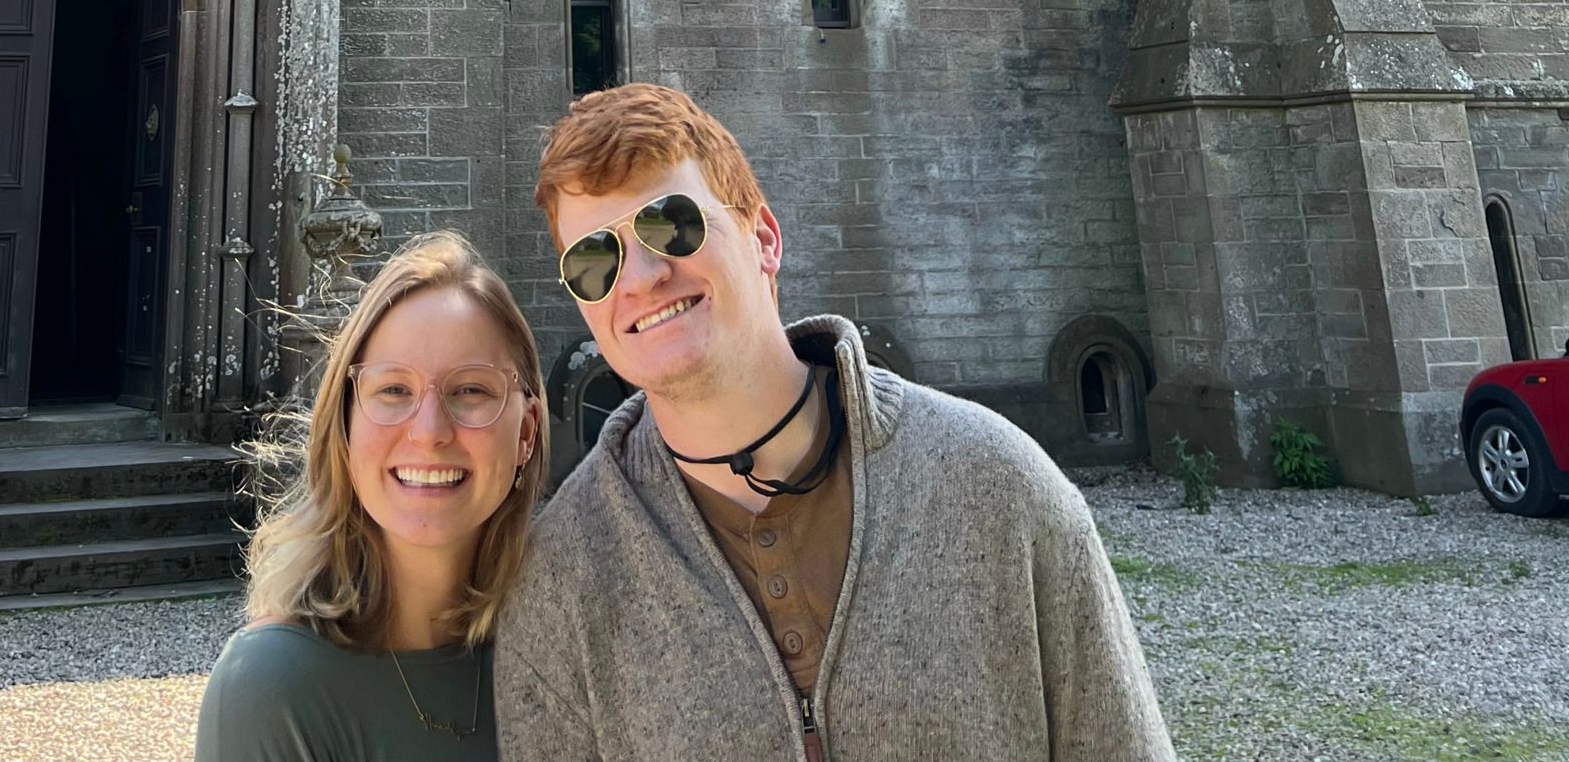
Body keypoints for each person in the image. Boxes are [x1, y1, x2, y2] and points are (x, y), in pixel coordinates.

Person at [495, 85, 1177, 762]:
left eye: (671, 223)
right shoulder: (562, 578)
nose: (639, 276)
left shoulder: (998, 483)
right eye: (594, 260)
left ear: (763, 238)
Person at [198, 230, 547, 760]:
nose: (429, 431)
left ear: (526, 433)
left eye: (471, 390)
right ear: (344, 427)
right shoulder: (274, 687)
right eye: (393, 390)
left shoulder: (569, 649)